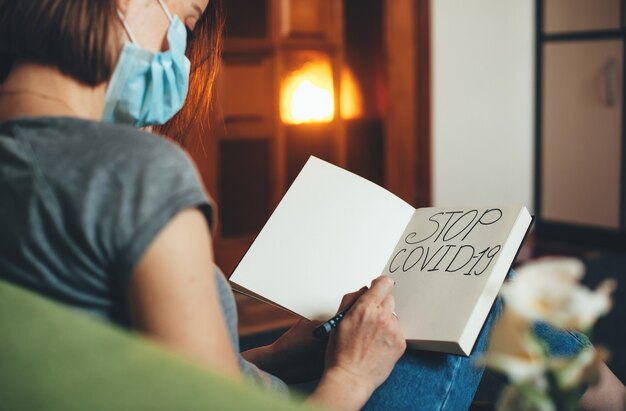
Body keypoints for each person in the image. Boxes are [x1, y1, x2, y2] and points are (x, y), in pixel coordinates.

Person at [0, 1, 622, 410]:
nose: (179, 48)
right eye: (185, 16)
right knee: (474, 301)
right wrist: (350, 375)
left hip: (284, 382)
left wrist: (271, 356)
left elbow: (133, 360)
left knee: (455, 304)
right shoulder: (138, 175)